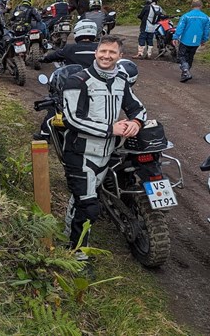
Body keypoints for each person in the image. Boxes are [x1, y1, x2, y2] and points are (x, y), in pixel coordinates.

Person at [60, 34, 147, 254]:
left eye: (112, 52)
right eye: (103, 51)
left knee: (82, 200)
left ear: (120, 55)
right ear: (96, 52)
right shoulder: (78, 80)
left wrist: (136, 122)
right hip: (80, 152)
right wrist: (111, 129)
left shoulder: (121, 81)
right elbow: (72, 118)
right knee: (89, 207)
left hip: (107, 153)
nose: (106, 56)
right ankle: (77, 254)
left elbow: (137, 107)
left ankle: (66, 236)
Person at [34, 20, 100, 140]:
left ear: (77, 33)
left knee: (56, 104)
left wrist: (42, 59)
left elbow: (51, 57)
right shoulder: (100, 48)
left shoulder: (69, 48)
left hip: (74, 85)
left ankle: (45, 134)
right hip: (97, 86)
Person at [172, 0, 210, 82]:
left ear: (192, 6)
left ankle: (185, 71)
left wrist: (175, 37)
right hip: (196, 41)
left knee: (181, 56)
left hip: (186, 39)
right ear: (201, 6)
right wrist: (204, 39)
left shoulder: (186, 16)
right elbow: (207, 30)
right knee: (190, 57)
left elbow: (180, 27)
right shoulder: (206, 17)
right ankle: (185, 73)